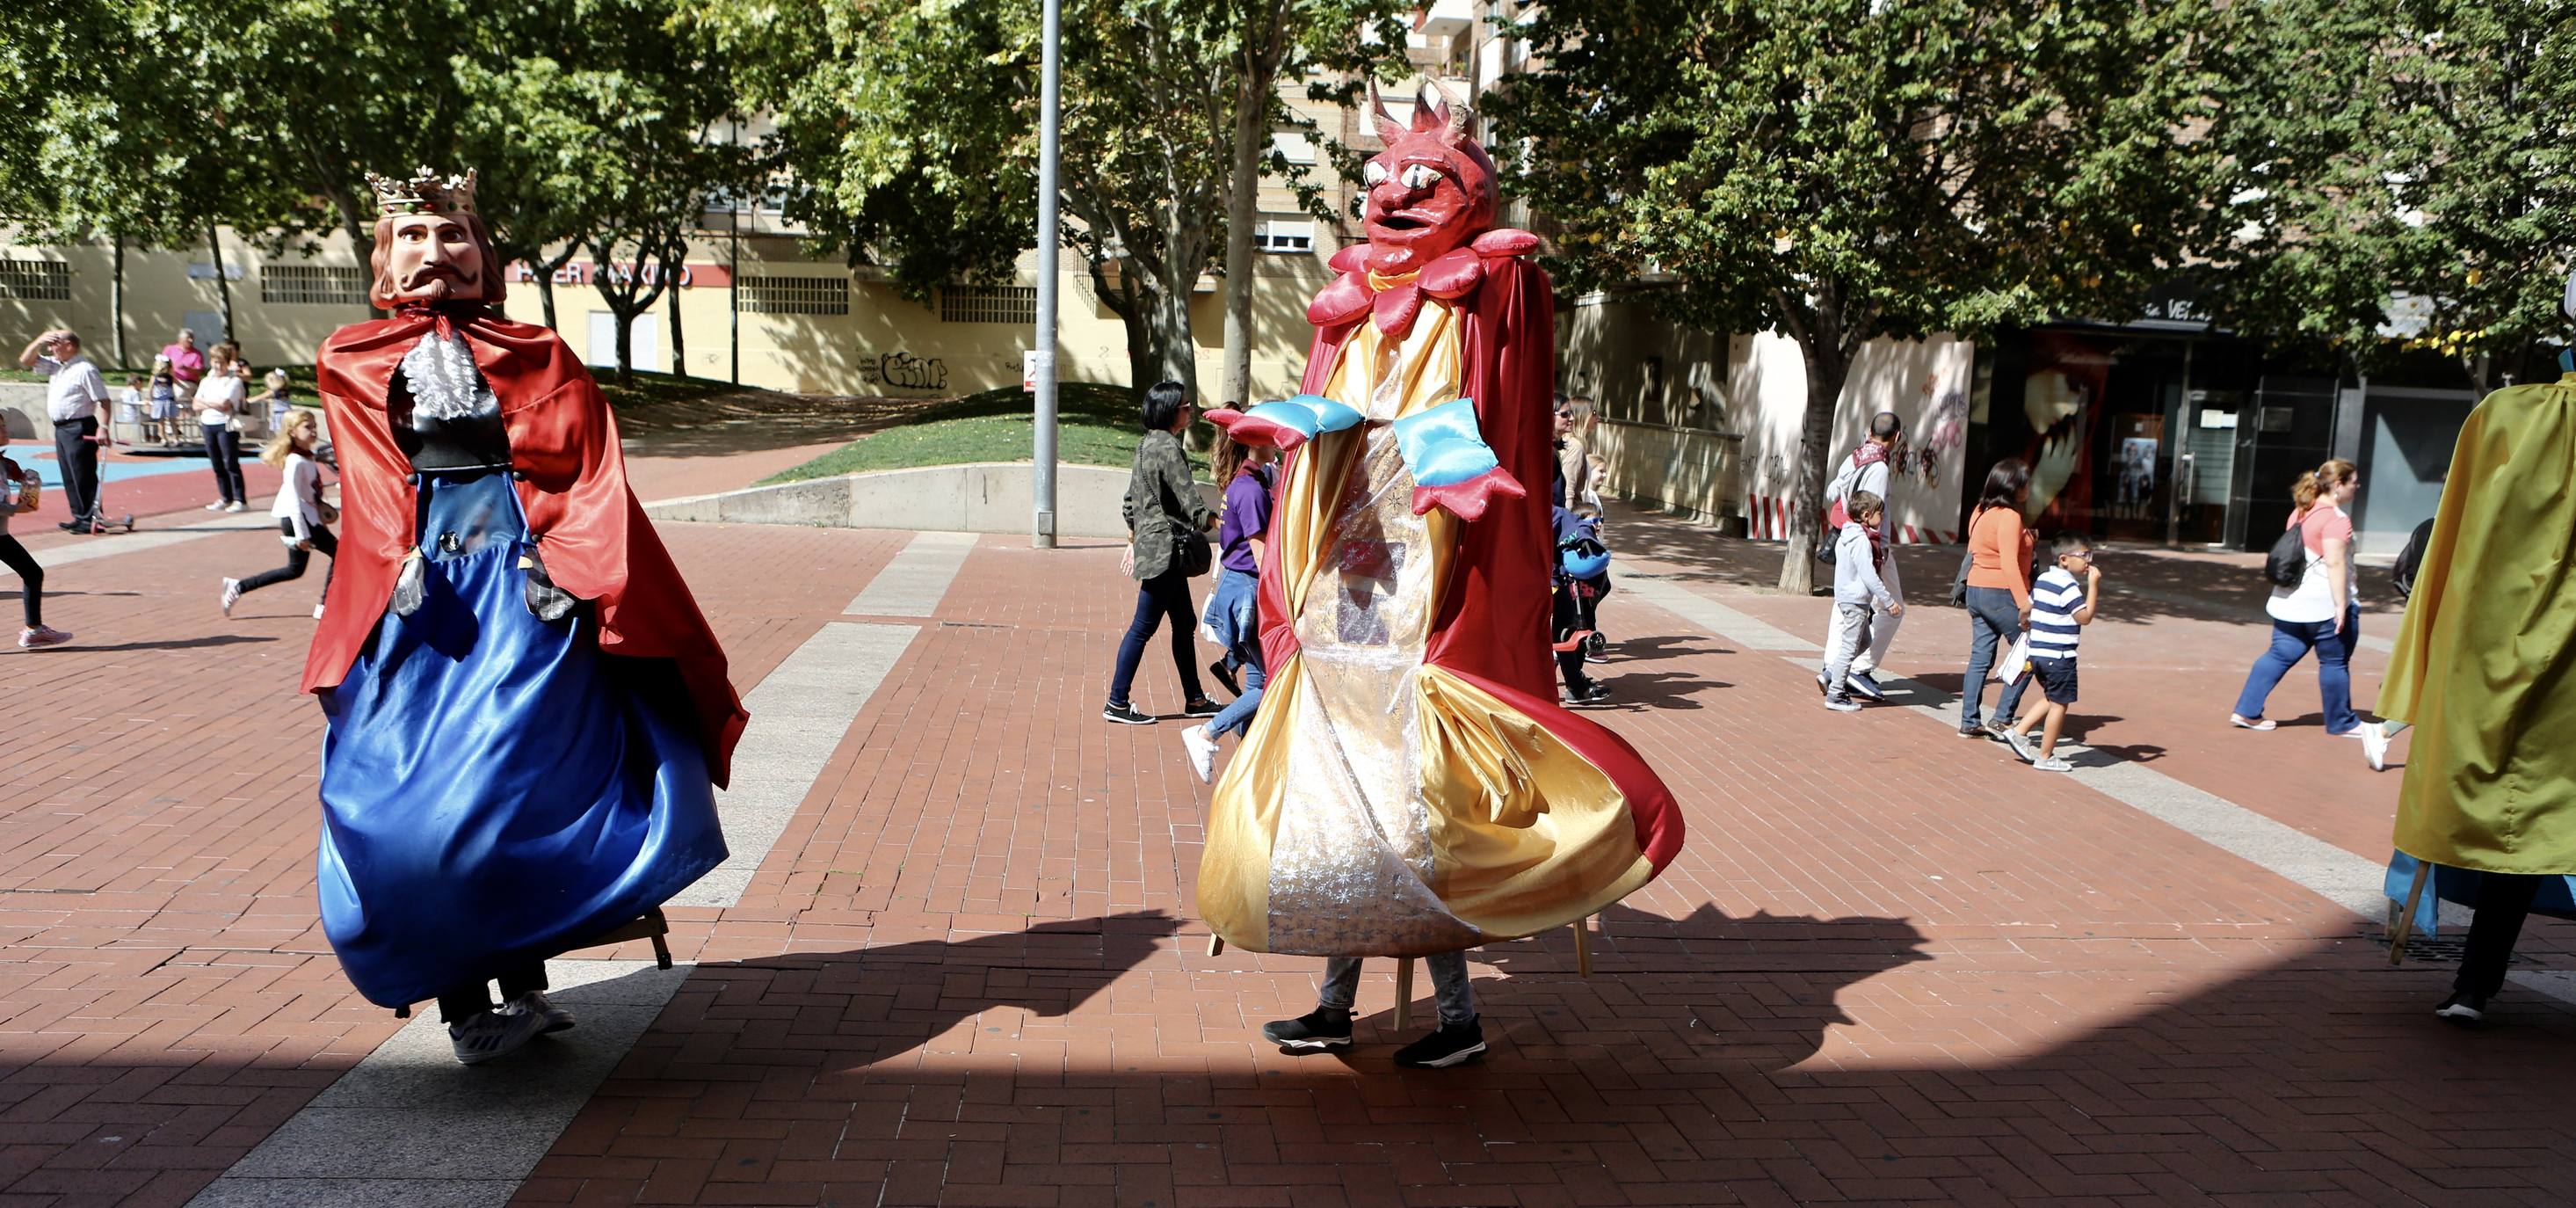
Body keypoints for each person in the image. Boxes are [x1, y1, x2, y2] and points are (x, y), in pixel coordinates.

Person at [1202, 82, 1682, 1069]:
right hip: (1343, 607)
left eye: (1425, 180)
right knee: (1341, 821)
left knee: (1420, 828)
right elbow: (1340, 419)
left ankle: (1457, 1018)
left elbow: (1472, 404)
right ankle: (1336, 1003)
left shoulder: (1485, 289)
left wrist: (1456, 465)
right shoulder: (1351, 310)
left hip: (1418, 622)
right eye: (1384, 178)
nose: (1395, 192)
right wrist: (1285, 432)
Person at [301, 165, 744, 1065]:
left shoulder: (540, 352)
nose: (437, 252)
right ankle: (464, 1002)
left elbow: (588, 474)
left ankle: (523, 988)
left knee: (521, 792)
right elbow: (372, 489)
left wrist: (570, 566)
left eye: (454, 234)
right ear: (386, 253)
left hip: (527, 596)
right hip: (420, 611)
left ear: (484, 249)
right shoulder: (350, 356)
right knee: (418, 808)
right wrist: (387, 573)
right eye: (416, 236)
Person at [2377, 369, 2575, 1025]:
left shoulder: (2507, 416)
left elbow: (2457, 553)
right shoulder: (2507, 415)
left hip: (2506, 657)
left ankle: (2472, 986)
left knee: (2514, 829)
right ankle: (2471, 985)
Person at [1104, 380, 1220, 725]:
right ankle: (1116, 702)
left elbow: (1130, 503)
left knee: (1184, 622)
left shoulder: (1143, 447)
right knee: (1142, 627)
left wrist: (1133, 537)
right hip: (1166, 552)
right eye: (1186, 406)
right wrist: (1216, 520)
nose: (1191, 411)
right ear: (1171, 410)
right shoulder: (1169, 447)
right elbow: (1189, 497)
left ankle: (1195, 699)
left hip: (1154, 548)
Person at [2229, 459, 2362, 736]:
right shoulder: (2336, 520)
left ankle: (2247, 710)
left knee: (2279, 653)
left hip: (2289, 602)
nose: (2357, 487)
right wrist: (2341, 606)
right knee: (2334, 662)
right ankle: (2342, 722)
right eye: (2353, 482)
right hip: (2323, 605)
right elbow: (2335, 563)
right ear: (2338, 485)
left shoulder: (2300, 512)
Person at [1179, 436, 1275, 781]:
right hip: (1247, 590)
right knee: (1271, 684)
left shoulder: (1245, 482)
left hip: (1238, 588)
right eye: (1269, 438)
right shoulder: (1250, 489)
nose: (1276, 442)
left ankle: (1247, 766)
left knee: (1256, 682)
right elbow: (1260, 551)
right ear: (1253, 444)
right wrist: (1280, 596)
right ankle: (1206, 734)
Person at [1816, 411, 1906, 702]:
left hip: (1847, 538)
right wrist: (1878, 555)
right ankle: (1857, 667)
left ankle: (1833, 665)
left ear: (1869, 431)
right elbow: (1874, 517)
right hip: (1870, 547)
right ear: (1897, 437)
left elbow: (1832, 491)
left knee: (1843, 602)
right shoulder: (1879, 468)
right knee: (1892, 608)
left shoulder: (1854, 458)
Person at [220, 409, 337, 620]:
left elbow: (309, 494)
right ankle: (324, 605)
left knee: (295, 570)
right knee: (339, 554)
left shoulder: (307, 457)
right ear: (292, 432)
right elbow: (293, 497)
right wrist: (302, 534)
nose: (313, 431)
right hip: (296, 519)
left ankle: (238, 586)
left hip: (305, 517)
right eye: (307, 427)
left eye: (314, 426)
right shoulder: (295, 461)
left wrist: (319, 519)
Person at [2002, 533, 2101, 772]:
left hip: (2038, 653)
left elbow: (2026, 608)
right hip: (2060, 656)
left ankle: (2018, 732)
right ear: (2064, 559)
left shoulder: (2045, 578)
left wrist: (2024, 621)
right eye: (2084, 555)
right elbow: (2084, 617)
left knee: (2051, 696)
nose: (2088, 560)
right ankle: (2045, 756)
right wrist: (2094, 586)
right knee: (2060, 704)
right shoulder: (2069, 586)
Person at [1957, 458, 2035, 739]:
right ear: (2014, 486)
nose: (2029, 487)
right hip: (2001, 593)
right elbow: (2008, 563)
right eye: (2026, 482)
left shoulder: (1980, 511)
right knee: (2031, 651)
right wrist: (2024, 602)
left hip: (1976, 590)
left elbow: (1980, 547)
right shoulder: (2009, 516)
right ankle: (2002, 717)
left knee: (1980, 657)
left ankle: (1969, 720)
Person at [17, 328, 111, 533]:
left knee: (83, 473)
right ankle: (79, 515)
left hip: (80, 425)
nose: (50, 349)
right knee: (69, 474)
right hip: (62, 427)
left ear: (69, 346)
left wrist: (103, 428)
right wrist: (40, 339)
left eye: (54, 344)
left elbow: (103, 400)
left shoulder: (85, 369)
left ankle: (91, 518)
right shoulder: (57, 366)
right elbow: (26, 360)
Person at [1822, 491, 1900, 713]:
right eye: (1880, 515)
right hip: (1855, 601)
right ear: (1866, 515)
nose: (1883, 519)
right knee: (1850, 647)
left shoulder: (1847, 535)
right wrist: (1888, 599)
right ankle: (1836, 693)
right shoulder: (1860, 541)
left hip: (1850, 599)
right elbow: (1869, 574)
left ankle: (1834, 674)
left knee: (1864, 641)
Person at [2, 439, 72, 649]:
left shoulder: (5, 464)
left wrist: (28, 481)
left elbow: (20, 479)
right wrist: (16, 509)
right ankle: (34, 630)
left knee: (32, 573)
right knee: (32, 573)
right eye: (0, 427)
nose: (5, 431)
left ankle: (34, 630)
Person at [1552, 503, 1613, 705]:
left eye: (1600, 521)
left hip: (1553, 578)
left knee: (1564, 631)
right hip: (1551, 581)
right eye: (1594, 521)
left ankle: (1576, 685)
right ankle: (1576, 686)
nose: (1598, 525)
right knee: (1565, 631)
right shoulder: (1569, 521)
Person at [196, 343, 250, 512]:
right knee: (216, 463)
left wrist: (206, 403)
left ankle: (240, 499)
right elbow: (195, 403)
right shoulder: (206, 381)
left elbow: (225, 404)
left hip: (225, 425)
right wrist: (210, 404)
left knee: (230, 463)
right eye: (215, 362)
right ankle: (225, 497)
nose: (218, 366)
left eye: (221, 363)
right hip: (208, 424)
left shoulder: (234, 381)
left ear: (227, 363)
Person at [1558, 397, 1596, 509]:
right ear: (1582, 415)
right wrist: (1568, 521)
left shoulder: (1569, 443)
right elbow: (1568, 490)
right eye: (1593, 413)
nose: (1597, 417)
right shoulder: (1575, 447)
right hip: (1573, 512)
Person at [146, 356, 180, 446]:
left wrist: (151, 399)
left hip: (162, 401)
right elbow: (150, 389)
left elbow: (150, 389)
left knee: (163, 421)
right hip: (165, 401)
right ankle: (171, 438)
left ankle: (167, 438)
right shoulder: (167, 377)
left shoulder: (162, 377)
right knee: (170, 421)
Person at [258, 367, 295, 436]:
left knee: (282, 434)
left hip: (281, 415)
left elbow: (260, 397)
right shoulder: (284, 390)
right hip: (285, 413)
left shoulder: (275, 392)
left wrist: (248, 400)